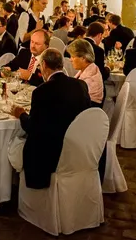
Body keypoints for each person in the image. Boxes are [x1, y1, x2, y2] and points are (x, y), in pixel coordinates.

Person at [9, 48, 91, 189]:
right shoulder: (80, 85)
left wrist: (21, 114)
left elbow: (32, 128)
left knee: (11, 145)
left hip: (49, 153)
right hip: (78, 147)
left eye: (40, 66)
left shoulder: (41, 92)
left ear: (45, 65)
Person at [67, 39, 103, 107]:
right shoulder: (88, 69)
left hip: (87, 113)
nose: (70, 60)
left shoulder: (90, 77)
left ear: (83, 58)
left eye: (73, 57)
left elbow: (77, 99)